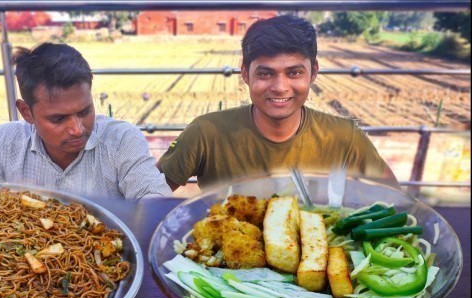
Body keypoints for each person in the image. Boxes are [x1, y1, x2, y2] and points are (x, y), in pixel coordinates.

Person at [156, 15, 398, 191]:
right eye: (265, 73)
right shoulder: (205, 133)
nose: (280, 87)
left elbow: (396, 200)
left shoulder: (345, 137)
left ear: (313, 73)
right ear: (245, 74)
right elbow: (150, 194)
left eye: (294, 73)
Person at [0, 42, 172, 200]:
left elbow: (153, 199)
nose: (77, 129)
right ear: (26, 112)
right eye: (58, 119)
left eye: (84, 111)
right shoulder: (0, 145)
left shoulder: (121, 140)